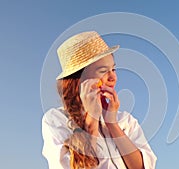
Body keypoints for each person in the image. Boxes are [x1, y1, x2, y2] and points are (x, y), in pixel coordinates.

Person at [42, 31, 157, 169]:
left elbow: (143, 167)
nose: (113, 78)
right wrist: (91, 119)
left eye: (113, 69)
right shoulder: (56, 119)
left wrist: (112, 124)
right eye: (103, 71)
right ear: (80, 80)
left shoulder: (125, 120)